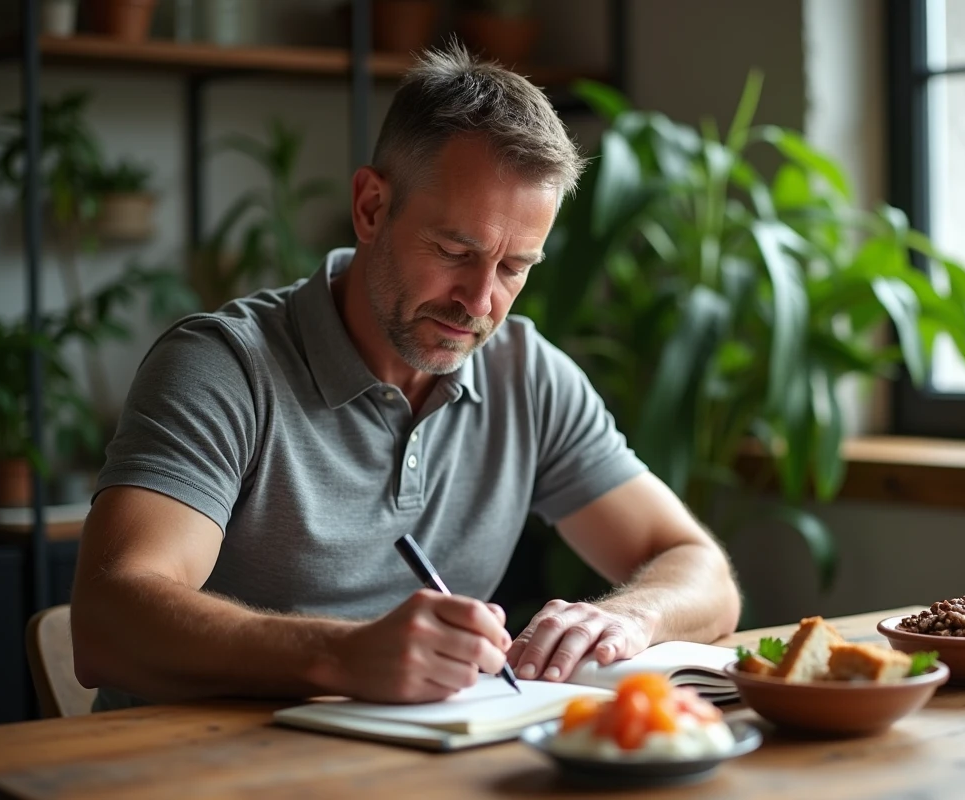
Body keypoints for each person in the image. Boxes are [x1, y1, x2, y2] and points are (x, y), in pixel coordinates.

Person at [71, 43, 741, 710]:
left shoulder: (526, 374)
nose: (480, 303)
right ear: (369, 208)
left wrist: (631, 617)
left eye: (514, 269)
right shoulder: (223, 368)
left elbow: (700, 570)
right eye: (456, 251)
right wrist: (339, 655)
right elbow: (106, 624)